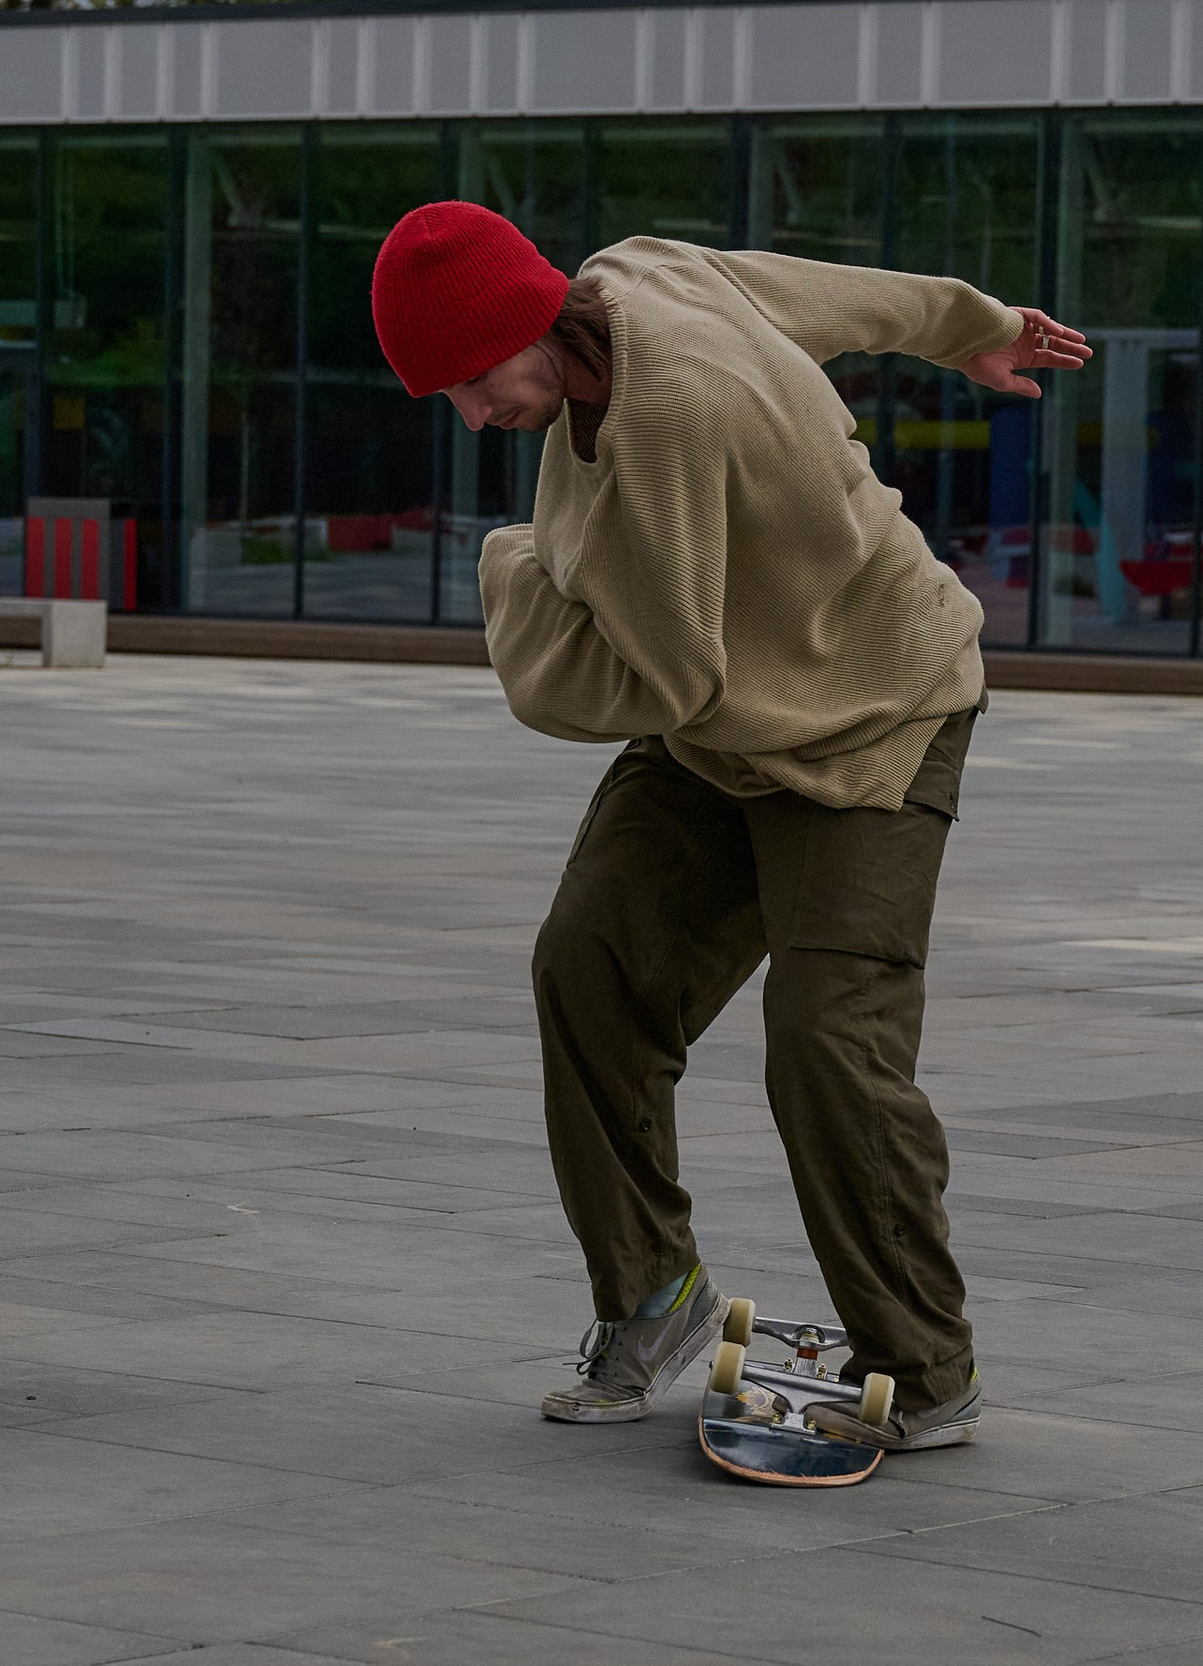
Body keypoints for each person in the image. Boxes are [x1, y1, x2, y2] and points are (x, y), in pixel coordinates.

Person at [371, 201, 1085, 1449]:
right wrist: (970, 324)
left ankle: (923, 1367)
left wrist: (515, 588)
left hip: (875, 718)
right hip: (726, 731)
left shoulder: (664, 425)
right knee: (588, 966)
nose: (475, 418)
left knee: (824, 1044)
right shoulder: (639, 270)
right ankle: (651, 1290)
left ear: (533, 321)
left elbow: (665, 679)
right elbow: (825, 293)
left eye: (475, 385)